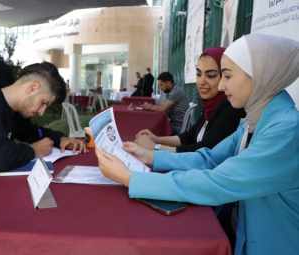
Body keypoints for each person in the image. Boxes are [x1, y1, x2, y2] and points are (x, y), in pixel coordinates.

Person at [95, 34, 299, 255]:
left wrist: (131, 178)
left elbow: (218, 181)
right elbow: (209, 158)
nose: (221, 85)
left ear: (260, 77)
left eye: (226, 76)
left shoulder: (284, 132)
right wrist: (151, 156)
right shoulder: (254, 120)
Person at [0, 62, 88, 178]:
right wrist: (34, 150)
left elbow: (34, 133)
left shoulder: (12, 109)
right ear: (32, 88)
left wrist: (61, 139)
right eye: (43, 103)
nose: (41, 112)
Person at [136, 47, 246, 152]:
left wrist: (156, 147)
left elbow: (204, 151)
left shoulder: (231, 107)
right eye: (198, 74)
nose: (201, 81)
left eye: (211, 75)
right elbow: (190, 135)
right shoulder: (210, 105)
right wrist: (157, 140)